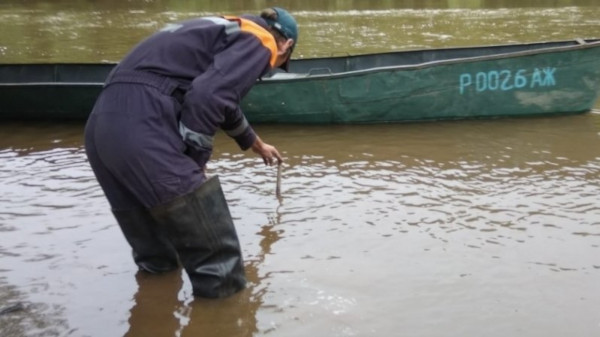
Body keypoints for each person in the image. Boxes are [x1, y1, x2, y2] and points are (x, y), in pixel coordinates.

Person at [84, 7, 298, 298]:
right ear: (285, 45)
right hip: (146, 129)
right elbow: (208, 96)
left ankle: (153, 315)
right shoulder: (261, 41)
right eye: (278, 63)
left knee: (158, 260)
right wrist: (195, 161)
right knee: (221, 267)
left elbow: (221, 100)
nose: (269, 68)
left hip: (103, 131)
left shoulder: (216, 29)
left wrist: (256, 144)